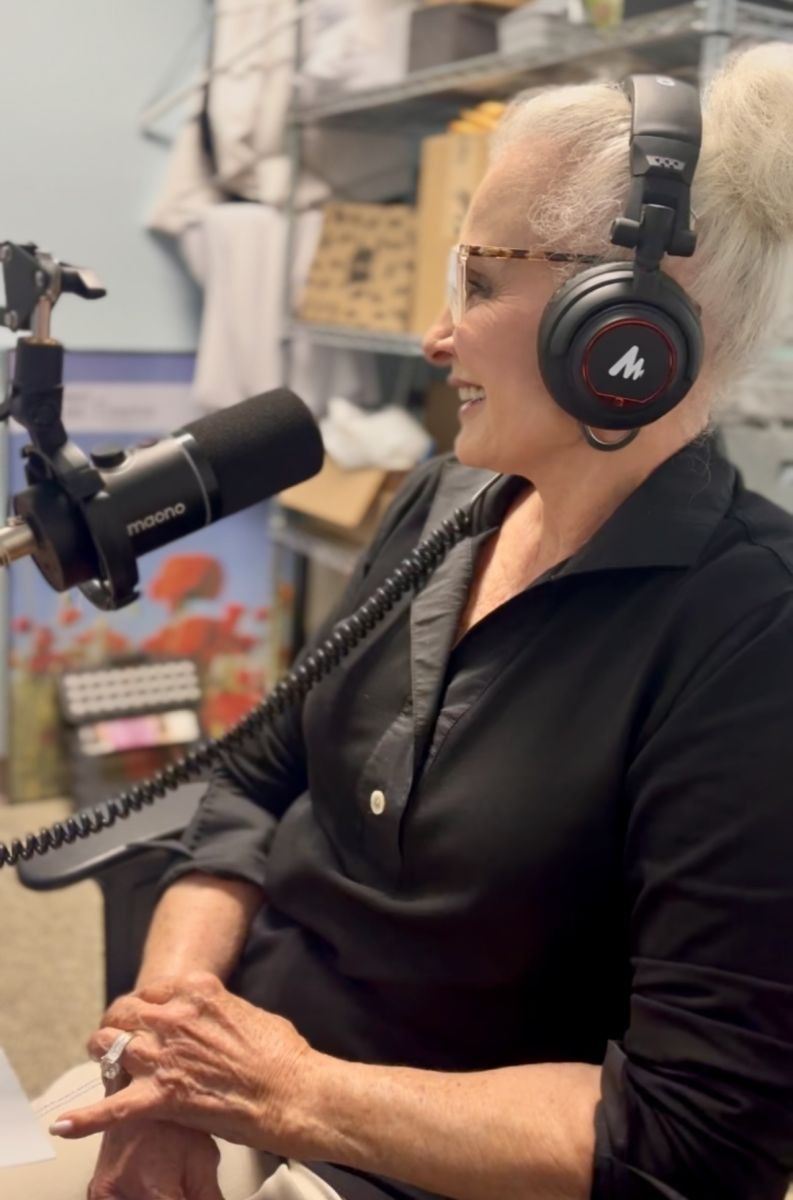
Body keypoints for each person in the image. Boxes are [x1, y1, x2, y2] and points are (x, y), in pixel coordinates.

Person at [7, 42, 793, 1200]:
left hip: (423, 1155)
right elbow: (247, 782)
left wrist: (291, 1094)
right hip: (235, 1057)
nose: (435, 338)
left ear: (623, 333)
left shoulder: (752, 634)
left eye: (477, 284)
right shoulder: (447, 501)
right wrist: (166, 1046)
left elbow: (690, 1133)